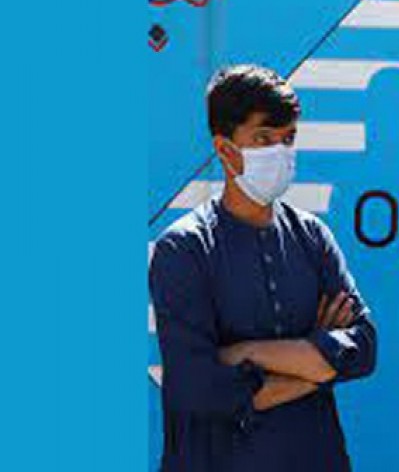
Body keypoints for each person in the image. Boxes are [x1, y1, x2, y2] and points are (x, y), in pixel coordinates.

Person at [149, 64, 377, 472]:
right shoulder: (184, 249)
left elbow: (362, 348)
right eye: (263, 139)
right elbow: (198, 387)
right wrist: (317, 367)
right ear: (224, 149)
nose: (281, 152)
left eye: (288, 138)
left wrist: (247, 353)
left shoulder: (312, 237)